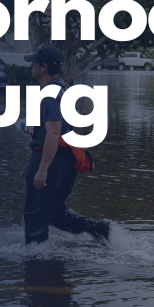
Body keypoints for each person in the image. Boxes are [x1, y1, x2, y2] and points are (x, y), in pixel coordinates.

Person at [21, 44, 111, 246]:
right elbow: (68, 125)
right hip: (68, 161)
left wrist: (42, 169)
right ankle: (98, 230)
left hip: (51, 161)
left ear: (43, 67)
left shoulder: (49, 94)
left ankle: (36, 262)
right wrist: (37, 129)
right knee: (52, 210)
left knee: (35, 213)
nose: (31, 66)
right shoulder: (64, 88)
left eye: (34, 63)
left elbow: (53, 133)